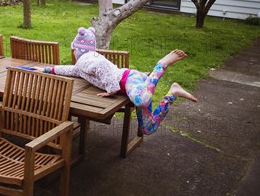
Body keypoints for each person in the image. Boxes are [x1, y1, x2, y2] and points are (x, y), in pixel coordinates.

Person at [35, 27, 198, 135]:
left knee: (141, 101)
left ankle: (161, 64)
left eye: (75, 49)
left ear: (77, 49)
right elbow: (67, 70)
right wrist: (46, 69)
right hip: (130, 84)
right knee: (147, 128)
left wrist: (111, 89)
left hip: (128, 80)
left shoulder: (87, 58)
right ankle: (172, 93)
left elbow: (100, 65)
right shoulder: (80, 65)